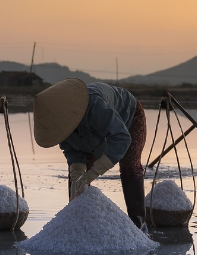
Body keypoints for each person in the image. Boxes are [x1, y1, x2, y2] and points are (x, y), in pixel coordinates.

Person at [33, 78, 146, 227]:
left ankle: (139, 224)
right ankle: (76, 222)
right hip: (91, 130)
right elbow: (72, 149)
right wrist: (77, 172)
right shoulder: (60, 126)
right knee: (78, 180)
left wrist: (94, 172)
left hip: (128, 116)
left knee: (129, 165)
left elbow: (121, 138)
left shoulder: (94, 106)